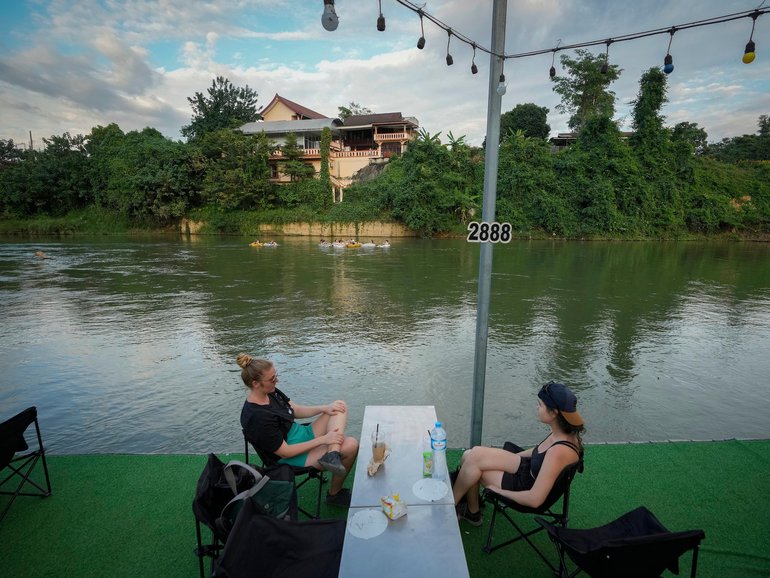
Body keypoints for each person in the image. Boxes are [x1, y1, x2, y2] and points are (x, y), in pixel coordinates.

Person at [453, 381, 585, 526]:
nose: (537, 407)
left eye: (540, 405)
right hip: (528, 469)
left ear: (554, 413)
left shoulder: (558, 451)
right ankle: (470, 511)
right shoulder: (564, 432)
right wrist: (504, 457)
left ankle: (455, 508)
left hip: (525, 487)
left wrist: (498, 491)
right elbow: (538, 453)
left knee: (473, 466)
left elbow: (534, 499)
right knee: (472, 454)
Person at [237, 353, 359, 507]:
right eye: (272, 379)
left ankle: (332, 454)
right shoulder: (257, 417)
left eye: (276, 376)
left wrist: (324, 408)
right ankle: (334, 494)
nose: (277, 380)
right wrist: (323, 439)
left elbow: (294, 409)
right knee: (351, 445)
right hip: (290, 456)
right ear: (255, 383)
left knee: (338, 406)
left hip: (300, 434)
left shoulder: (270, 391)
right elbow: (285, 452)